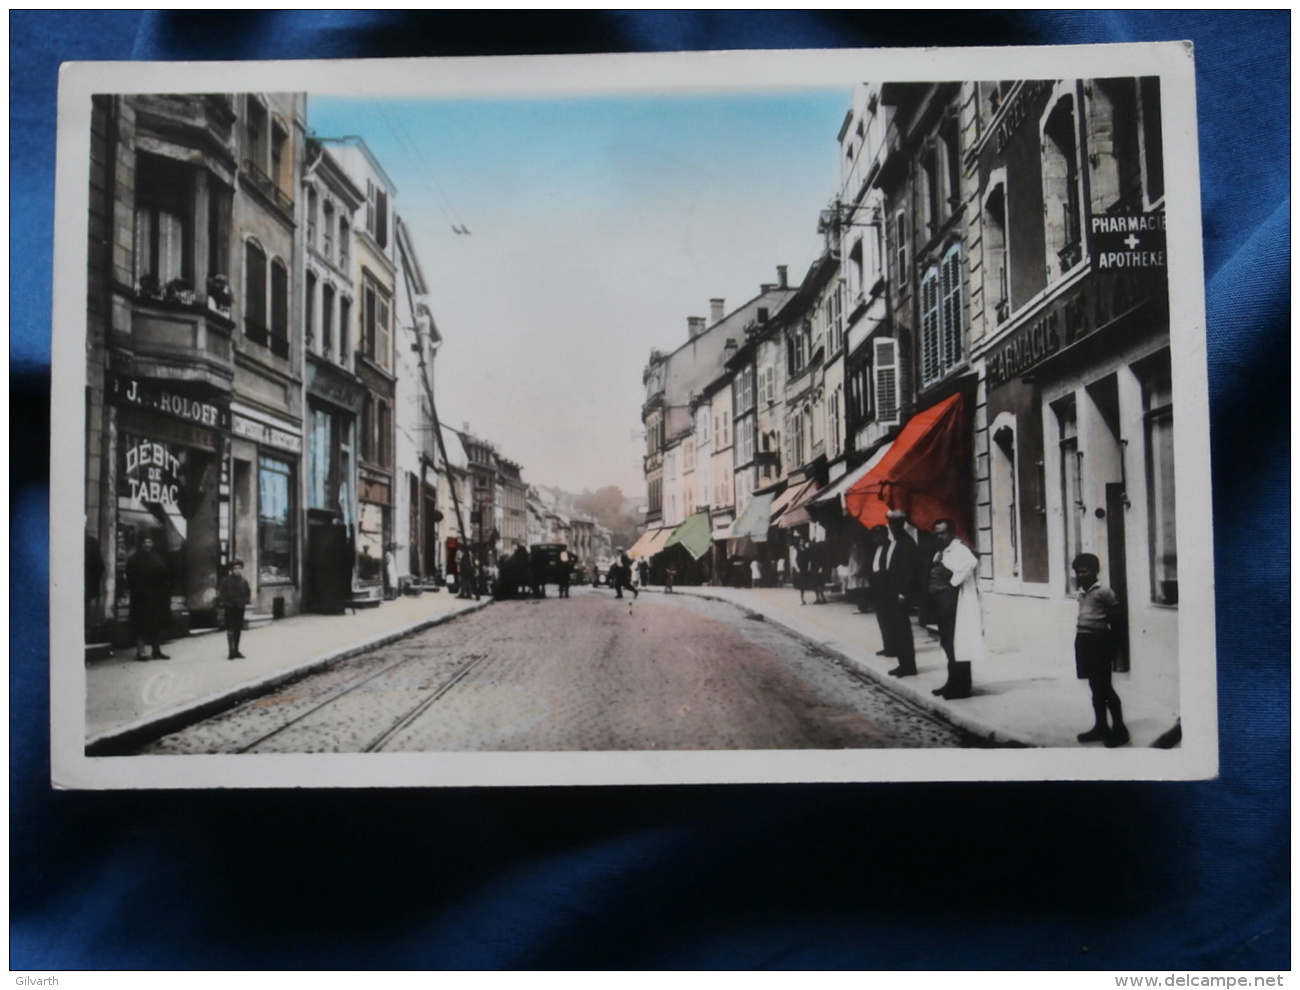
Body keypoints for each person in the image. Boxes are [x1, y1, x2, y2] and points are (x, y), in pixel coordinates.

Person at [1072, 553, 1129, 747]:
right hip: (1083, 641)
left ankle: (1120, 730)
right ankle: (1101, 726)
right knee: (1095, 688)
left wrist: (1114, 647)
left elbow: (1118, 621)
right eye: (1078, 572)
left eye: (1085, 571)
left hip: (1100, 643)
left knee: (1105, 687)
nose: (1081, 575)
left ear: (1095, 571)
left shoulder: (1105, 591)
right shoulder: (1080, 591)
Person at [927, 519, 984, 699]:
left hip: (955, 604)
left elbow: (971, 563)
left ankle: (962, 686)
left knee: (958, 644)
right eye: (937, 533)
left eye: (943, 533)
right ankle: (952, 682)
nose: (939, 536)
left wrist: (953, 582)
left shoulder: (959, 549)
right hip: (943, 604)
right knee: (948, 644)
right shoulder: (944, 551)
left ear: (951, 532)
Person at [880, 510, 921, 677]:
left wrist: (903, 592)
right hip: (892, 593)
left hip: (900, 594)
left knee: (903, 630)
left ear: (902, 524)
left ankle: (909, 666)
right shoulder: (894, 542)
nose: (892, 526)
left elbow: (910, 571)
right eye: (890, 523)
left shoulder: (906, 542)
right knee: (897, 629)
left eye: (895, 523)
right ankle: (903, 663)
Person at [125, 536, 171, 660]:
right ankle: (141, 651)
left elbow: (164, 576)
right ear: (140, 544)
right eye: (144, 542)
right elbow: (131, 580)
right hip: (141, 598)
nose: (147, 545)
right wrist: (139, 591)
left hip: (157, 597)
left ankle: (156, 650)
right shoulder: (134, 560)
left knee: (155, 624)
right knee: (141, 625)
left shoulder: (157, 558)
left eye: (150, 542)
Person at [216, 559, 252, 660]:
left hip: (240, 608)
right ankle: (230, 651)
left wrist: (244, 601)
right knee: (230, 629)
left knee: (238, 629)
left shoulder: (244, 581)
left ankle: (236, 650)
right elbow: (222, 594)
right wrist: (226, 603)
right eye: (235, 568)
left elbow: (247, 594)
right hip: (230, 608)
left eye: (239, 568)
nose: (237, 570)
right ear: (232, 570)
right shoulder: (226, 580)